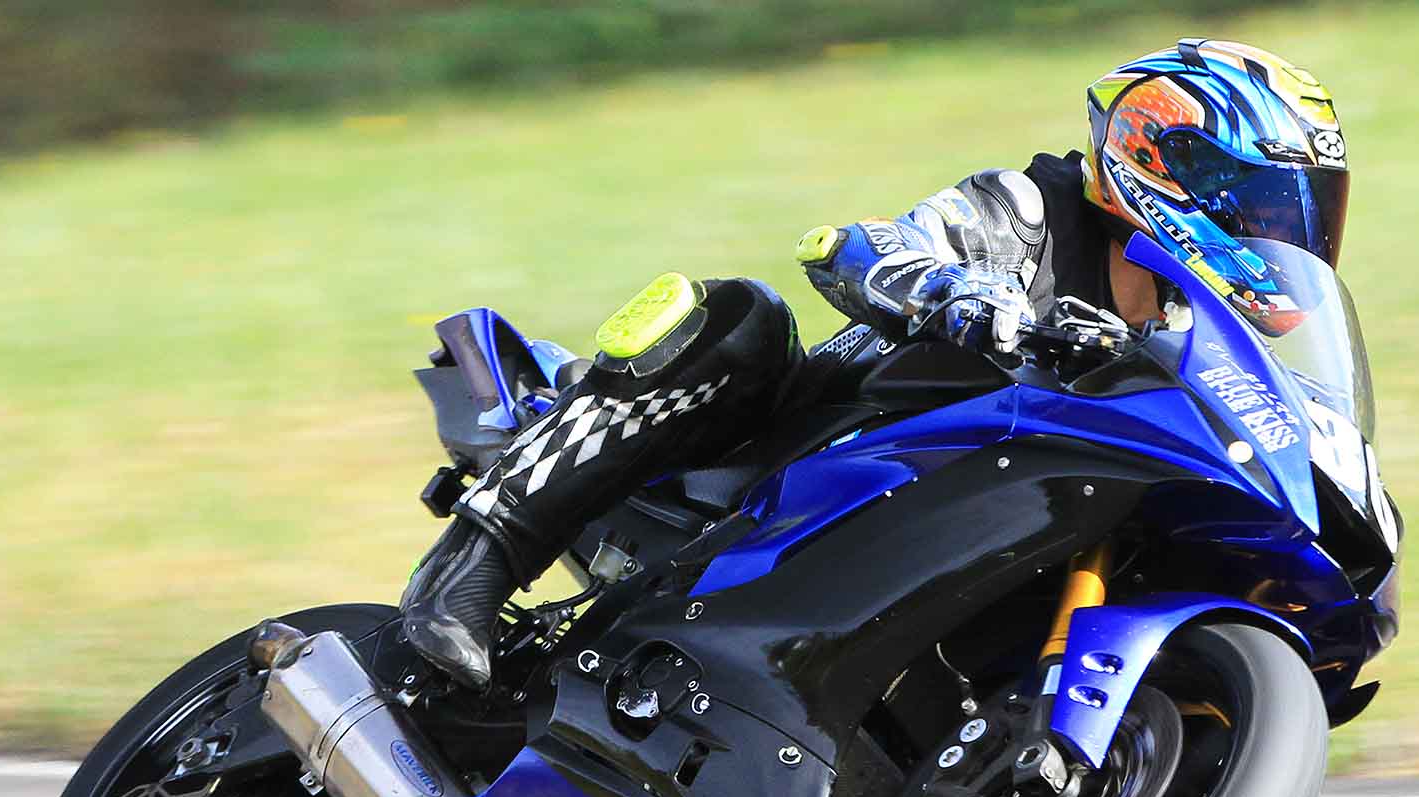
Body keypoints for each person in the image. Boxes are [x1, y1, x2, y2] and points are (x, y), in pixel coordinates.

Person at [400, 38, 1352, 688]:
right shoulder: (1030, 212)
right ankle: (470, 571)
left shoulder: (1197, 336)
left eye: (1297, 215)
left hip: (959, 530)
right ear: (1166, 163)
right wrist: (965, 300)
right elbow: (855, 248)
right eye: (1261, 206)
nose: (1278, 236)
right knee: (738, 317)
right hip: (788, 463)